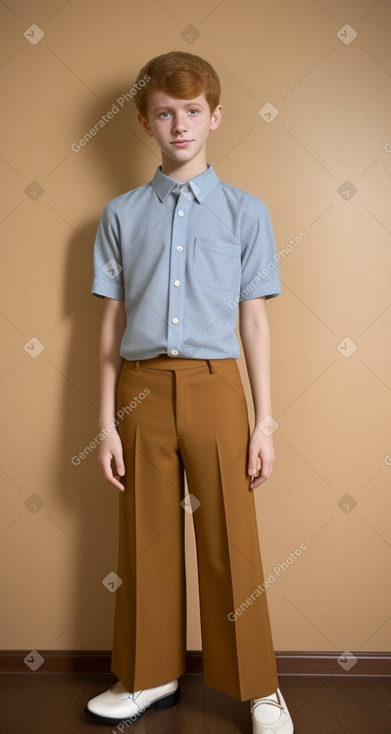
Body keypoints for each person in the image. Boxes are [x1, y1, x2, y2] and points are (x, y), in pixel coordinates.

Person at [85, 51, 294, 734]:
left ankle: (259, 688)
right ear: (145, 122)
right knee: (144, 539)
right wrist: (105, 424)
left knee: (230, 539)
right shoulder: (119, 214)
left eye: (193, 111)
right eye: (165, 114)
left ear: (215, 116)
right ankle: (148, 677)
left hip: (216, 388)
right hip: (142, 389)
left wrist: (265, 422)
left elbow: (253, 321)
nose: (180, 125)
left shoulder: (245, 211)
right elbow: (110, 324)